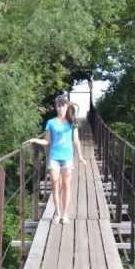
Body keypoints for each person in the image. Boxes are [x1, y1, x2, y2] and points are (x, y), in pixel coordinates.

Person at [26, 96, 87, 224]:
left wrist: (80, 156)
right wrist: (35, 140)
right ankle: (57, 213)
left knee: (66, 185)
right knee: (55, 184)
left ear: (66, 107)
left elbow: (76, 140)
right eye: (58, 106)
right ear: (56, 107)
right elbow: (47, 141)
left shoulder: (72, 122)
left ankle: (65, 214)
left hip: (67, 158)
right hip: (54, 157)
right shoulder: (51, 122)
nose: (60, 108)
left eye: (63, 105)